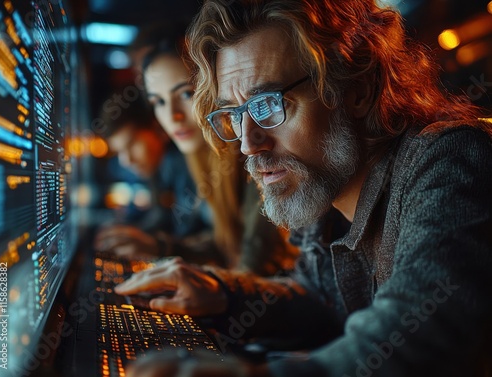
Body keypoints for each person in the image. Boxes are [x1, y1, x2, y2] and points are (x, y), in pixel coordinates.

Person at [115, 0, 492, 376]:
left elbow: (427, 327)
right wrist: (221, 294)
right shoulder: (324, 195)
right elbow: (320, 300)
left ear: (356, 88)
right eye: (235, 114)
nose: (248, 143)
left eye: (267, 104)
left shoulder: (449, 157)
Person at [135, 27, 298, 275]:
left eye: (186, 94)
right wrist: (157, 246)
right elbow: (225, 245)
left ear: (215, 90)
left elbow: (258, 261)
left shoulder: (254, 154)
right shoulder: (199, 157)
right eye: (159, 102)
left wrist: (218, 290)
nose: (173, 116)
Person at [94, 93, 215, 262]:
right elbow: (163, 218)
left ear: (158, 128)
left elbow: (216, 243)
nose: (127, 160)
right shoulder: (159, 170)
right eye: (119, 152)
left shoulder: (187, 164)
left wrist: (159, 246)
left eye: (132, 144)